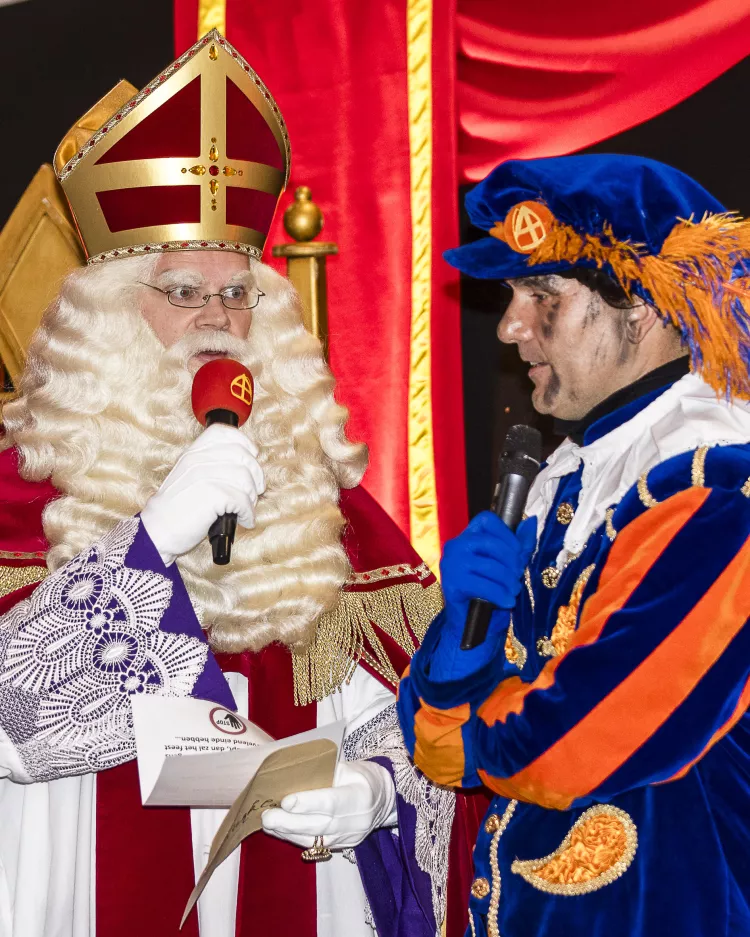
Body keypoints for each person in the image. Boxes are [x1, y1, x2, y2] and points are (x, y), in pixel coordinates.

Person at [0, 30, 465, 937]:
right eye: (181, 292)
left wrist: (373, 791)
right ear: (104, 320)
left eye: (240, 292)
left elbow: (427, 727)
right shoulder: (15, 497)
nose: (219, 320)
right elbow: (13, 721)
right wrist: (149, 548)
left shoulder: (328, 513)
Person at [398, 154, 750, 937]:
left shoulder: (717, 483)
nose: (509, 326)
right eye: (513, 296)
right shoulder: (560, 480)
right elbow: (438, 746)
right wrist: (462, 637)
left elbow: (578, 737)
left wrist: (463, 721)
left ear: (646, 307)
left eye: (543, 296)